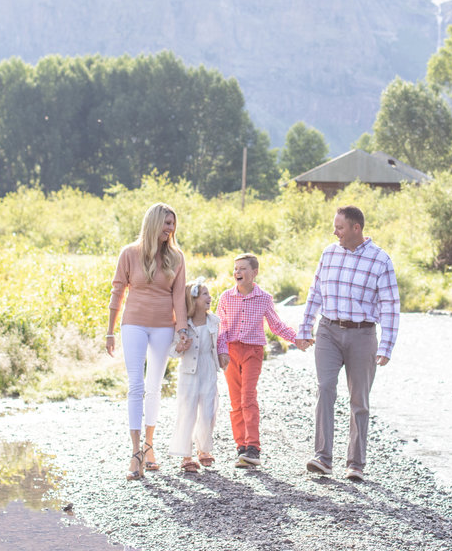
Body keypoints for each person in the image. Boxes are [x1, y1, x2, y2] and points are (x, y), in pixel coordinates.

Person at [295, 205, 399, 482]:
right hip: (328, 330)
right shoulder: (329, 253)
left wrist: (386, 345)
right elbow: (315, 292)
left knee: (359, 400)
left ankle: (355, 464)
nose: (335, 232)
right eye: (335, 227)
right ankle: (323, 458)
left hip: (363, 335)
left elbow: (390, 305)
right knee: (325, 388)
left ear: (356, 228)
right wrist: (305, 328)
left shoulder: (380, 260)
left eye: (340, 227)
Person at [105, 202, 191, 481]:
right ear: (154, 223)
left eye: (173, 224)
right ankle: (134, 452)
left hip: (163, 327)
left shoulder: (176, 257)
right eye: (167, 223)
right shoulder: (129, 254)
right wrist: (109, 331)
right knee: (136, 385)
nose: (171, 228)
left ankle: (149, 446)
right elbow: (117, 291)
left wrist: (182, 330)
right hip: (134, 324)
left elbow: (179, 296)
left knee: (154, 387)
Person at [217, 253, 298, 468]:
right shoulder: (226, 297)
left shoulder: (264, 298)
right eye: (236, 269)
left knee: (248, 397)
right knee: (235, 401)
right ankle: (241, 446)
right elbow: (221, 328)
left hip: (253, 352)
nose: (238, 272)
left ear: (254, 273)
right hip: (231, 352)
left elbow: (276, 325)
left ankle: (253, 447)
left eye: (243, 268)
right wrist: (221, 351)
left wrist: (297, 338)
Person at [169, 278, 229, 472]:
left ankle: (204, 449)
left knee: (208, 410)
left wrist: (223, 353)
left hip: (208, 367)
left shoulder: (214, 321)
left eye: (209, 294)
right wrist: (180, 346)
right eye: (205, 294)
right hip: (189, 371)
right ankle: (186, 455)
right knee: (188, 411)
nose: (210, 297)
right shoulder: (183, 325)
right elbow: (172, 350)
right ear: (192, 299)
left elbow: (220, 341)